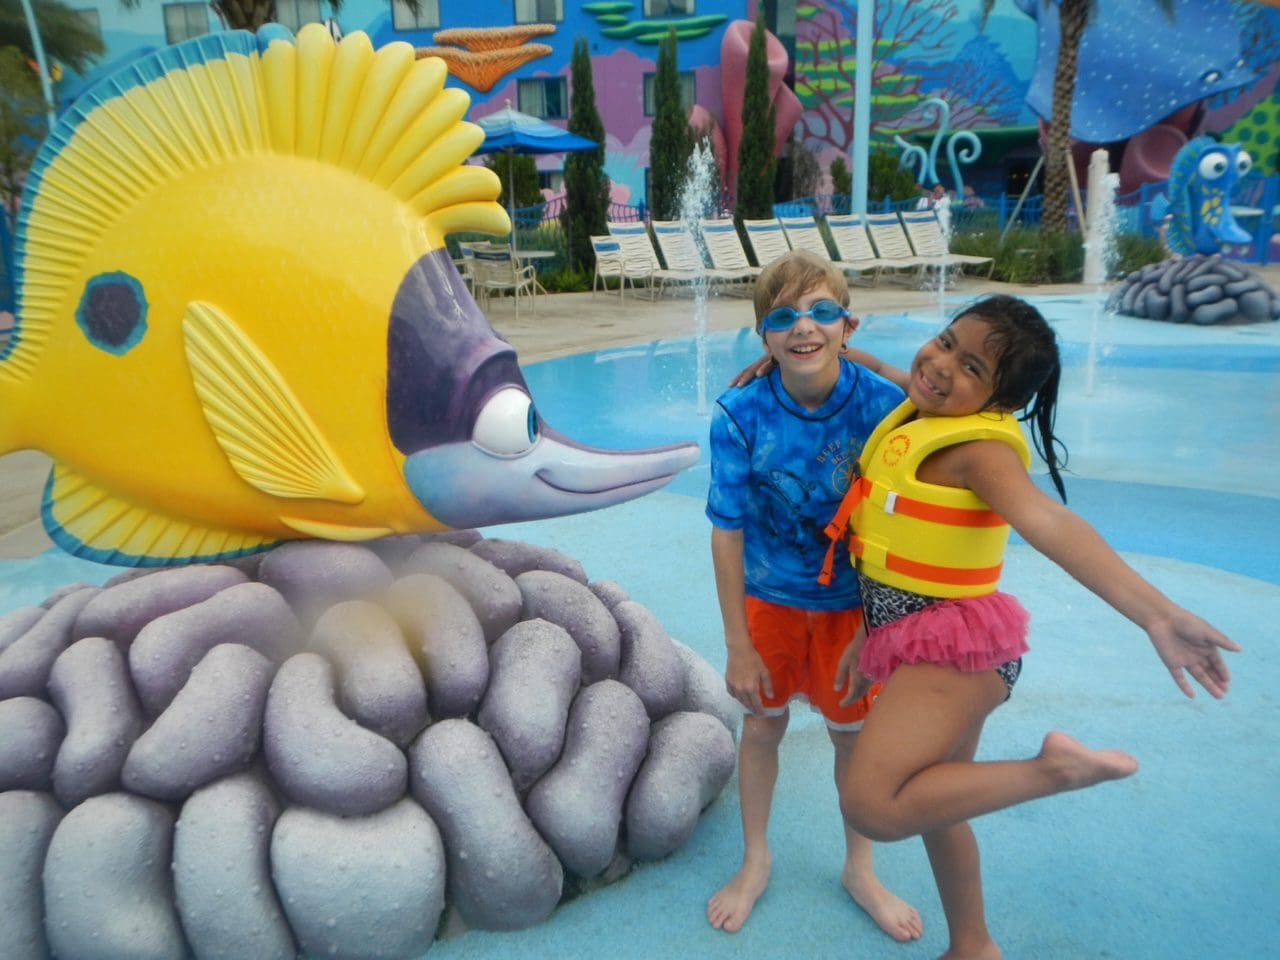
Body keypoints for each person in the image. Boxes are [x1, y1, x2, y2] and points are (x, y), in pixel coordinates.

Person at [827, 294, 1240, 960]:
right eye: (943, 341)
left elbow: (1050, 524)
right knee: (941, 805)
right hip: (925, 637)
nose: (938, 366)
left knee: (872, 805)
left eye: (970, 368)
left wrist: (1156, 613)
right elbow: (898, 387)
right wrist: (831, 352)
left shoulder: (980, 452)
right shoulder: (927, 407)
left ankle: (1052, 772)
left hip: (953, 653)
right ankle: (974, 945)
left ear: (1000, 402)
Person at [705, 250, 922, 942]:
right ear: (763, 337)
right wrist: (738, 642)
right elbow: (726, 532)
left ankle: (861, 867)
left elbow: (935, 403)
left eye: (823, 312)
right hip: (769, 603)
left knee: (851, 737)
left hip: (851, 612)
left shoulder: (884, 407)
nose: (805, 327)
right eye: (784, 317)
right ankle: (755, 859)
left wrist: (878, 628)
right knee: (763, 726)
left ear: (848, 324)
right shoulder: (740, 413)